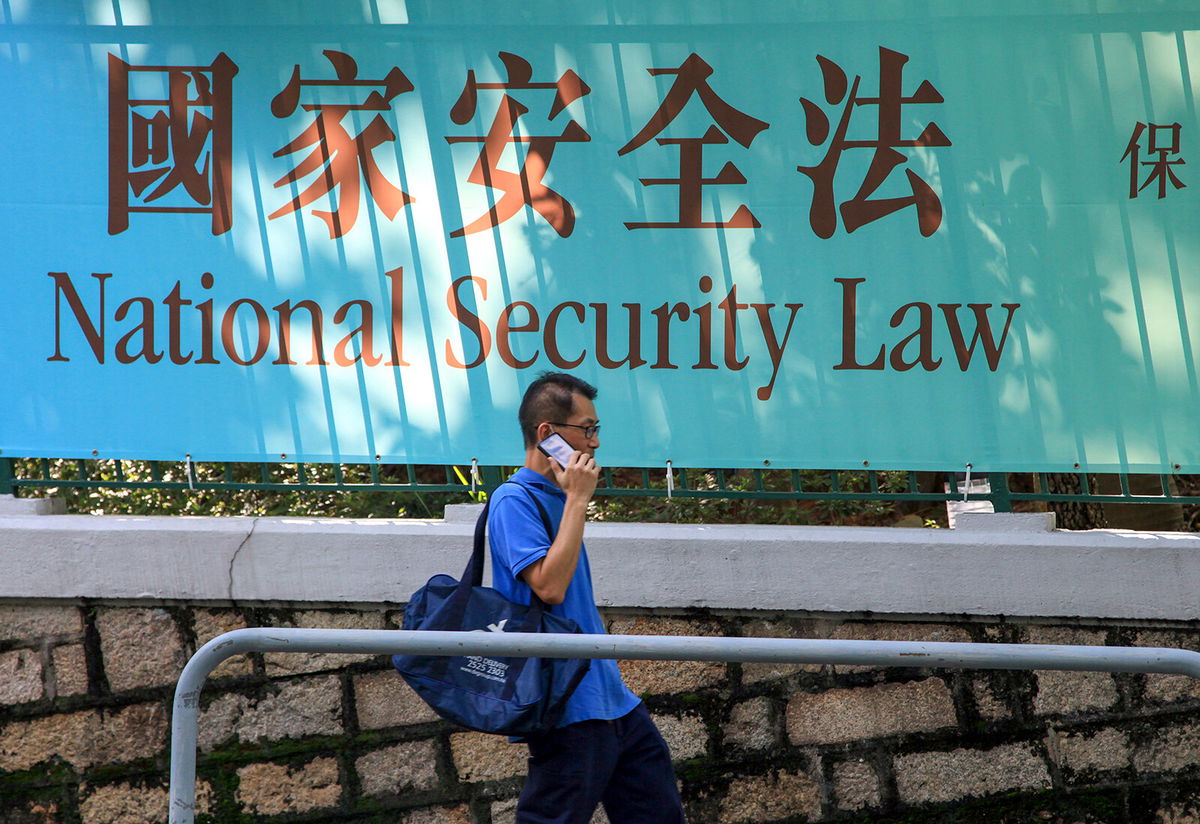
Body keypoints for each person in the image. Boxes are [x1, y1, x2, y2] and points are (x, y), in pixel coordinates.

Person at [487, 372, 687, 824]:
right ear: (547, 434)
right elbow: (549, 586)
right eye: (587, 429)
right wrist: (577, 501)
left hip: (613, 699)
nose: (595, 443)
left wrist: (571, 500)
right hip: (567, 707)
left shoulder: (559, 497)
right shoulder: (513, 501)